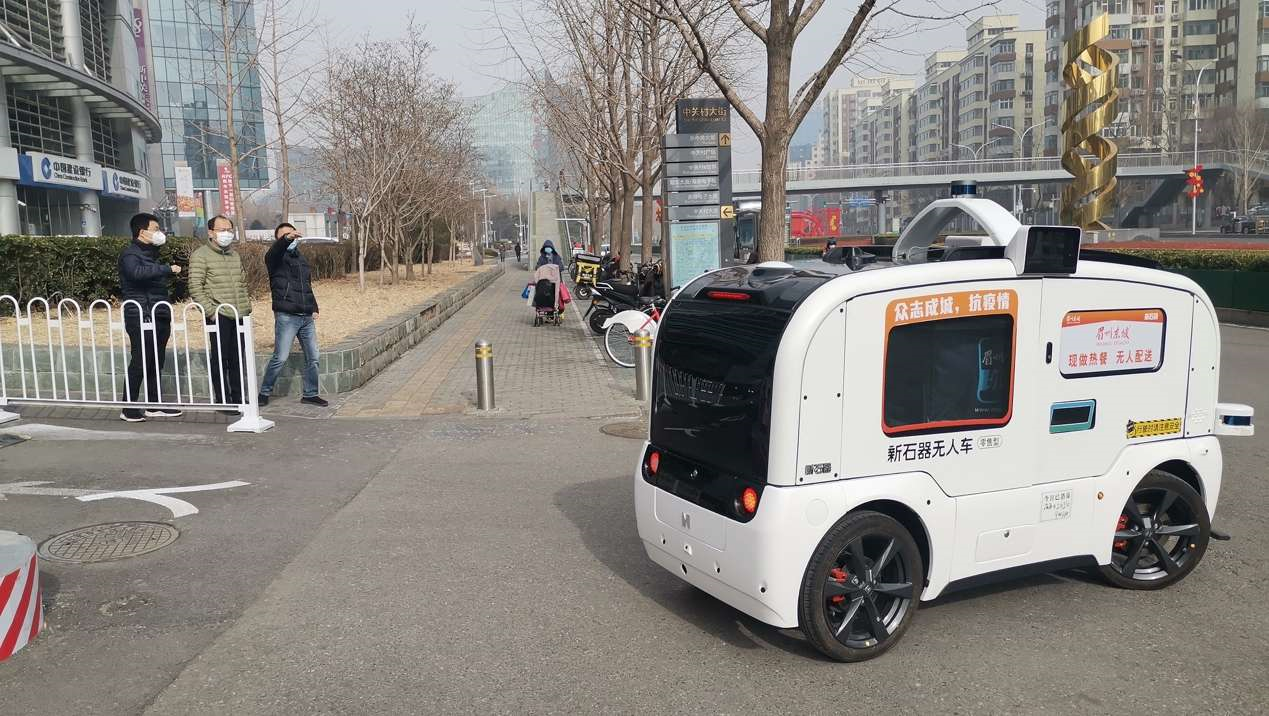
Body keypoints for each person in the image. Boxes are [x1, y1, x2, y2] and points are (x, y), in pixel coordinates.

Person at [118, 213, 183, 422]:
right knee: (140, 360)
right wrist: (166, 269)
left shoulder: (152, 255)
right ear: (142, 232)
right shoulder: (130, 255)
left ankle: (155, 405)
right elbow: (136, 273)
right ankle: (128, 406)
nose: (159, 233)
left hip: (158, 313)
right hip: (141, 314)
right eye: (155, 229)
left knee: (156, 361)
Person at [257, 223, 328, 407]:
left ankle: (311, 393)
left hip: (306, 316)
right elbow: (275, 251)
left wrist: (314, 307)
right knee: (280, 357)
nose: (291, 238)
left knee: (313, 357)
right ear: (278, 239)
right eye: (286, 236)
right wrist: (285, 239)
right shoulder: (275, 258)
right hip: (287, 315)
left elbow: (307, 285)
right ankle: (264, 392)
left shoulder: (301, 258)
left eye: (293, 235)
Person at [189, 215, 251, 410]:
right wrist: (210, 311)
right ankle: (223, 399)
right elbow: (195, 286)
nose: (226, 234)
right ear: (210, 232)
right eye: (222, 230)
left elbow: (242, 282)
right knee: (220, 357)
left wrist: (246, 306)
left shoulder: (234, 255)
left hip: (239, 313)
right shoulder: (201, 255)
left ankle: (239, 396)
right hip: (219, 314)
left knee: (237, 357)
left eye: (229, 230)